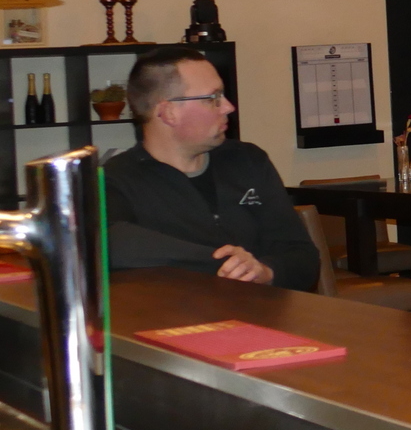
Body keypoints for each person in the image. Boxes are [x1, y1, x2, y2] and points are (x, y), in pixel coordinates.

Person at [103, 45, 318, 291]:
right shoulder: (116, 179)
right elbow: (111, 245)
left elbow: (304, 259)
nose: (228, 107)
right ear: (169, 112)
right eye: (212, 98)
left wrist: (265, 272)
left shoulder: (247, 161)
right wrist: (225, 264)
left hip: (263, 310)